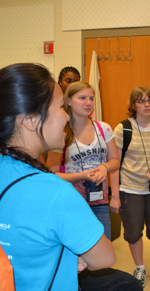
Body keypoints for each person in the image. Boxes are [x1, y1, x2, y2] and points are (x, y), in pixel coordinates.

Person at [0, 63, 116, 290]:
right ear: (31, 119)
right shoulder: (54, 191)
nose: (66, 117)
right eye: (61, 107)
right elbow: (105, 258)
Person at [112, 86, 150, 288]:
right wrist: (115, 195)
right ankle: (139, 267)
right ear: (133, 105)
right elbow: (114, 164)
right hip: (130, 190)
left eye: (149, 100)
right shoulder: (123, 129)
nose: (146, 104)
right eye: (141, 101)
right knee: (133, 231)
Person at [46, 81, 120, 241]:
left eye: (91, 99)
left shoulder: (103, 128)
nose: (88, 103)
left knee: (102, 252)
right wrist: (82, 176)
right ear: (69, 101)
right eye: (82, 98)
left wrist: (104, 167)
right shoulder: (61, 132)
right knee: (76, 255)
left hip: (100, 200)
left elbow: (115, 161)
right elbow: (51, 175)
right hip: (71, 203)